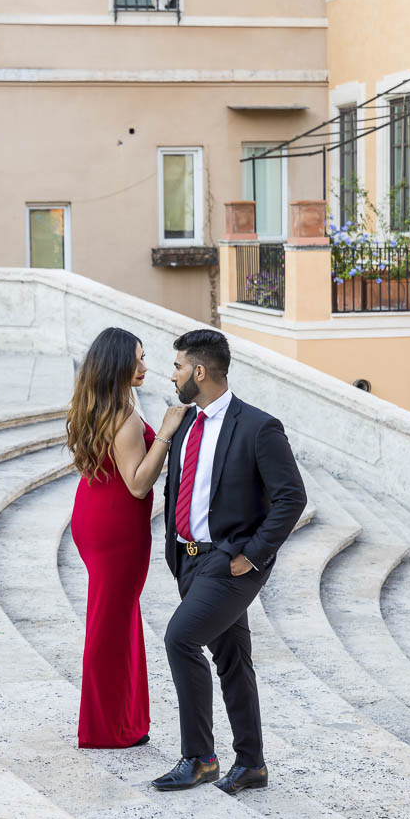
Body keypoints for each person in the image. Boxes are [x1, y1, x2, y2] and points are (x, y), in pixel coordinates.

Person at [152, 329, 307, 793]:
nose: (173, 373)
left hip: (230, 563)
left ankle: (199, 757)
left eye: (178, 365)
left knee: (180, 640)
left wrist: (253, 556)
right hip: (189, 560)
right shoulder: (186, 423)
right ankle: (252, 764)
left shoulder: (259, 427)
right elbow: (176, 487)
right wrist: (174, 548)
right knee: (233, 659)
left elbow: (291, 498)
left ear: (199, 371)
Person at [67, 327, 188, 749]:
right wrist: (169, 432)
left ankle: (125, 718)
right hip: (117, 528)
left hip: (93, 516)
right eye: (137, 359)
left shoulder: (101, 403)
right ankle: (104, 728)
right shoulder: (126, 415)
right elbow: (138, 484)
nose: (145, 366)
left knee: (117, 619)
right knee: (111, 625)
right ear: (117, 363)